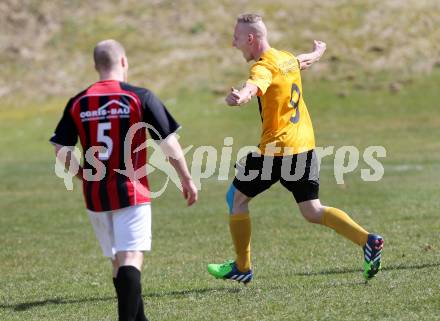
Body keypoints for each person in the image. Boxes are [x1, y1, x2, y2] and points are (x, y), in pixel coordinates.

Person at [207, 14, 383, 284]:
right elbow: (303, 61)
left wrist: (240, 96)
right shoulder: (285, 58)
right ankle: (367, 240)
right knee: (312, 210)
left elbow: (254, 86)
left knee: (236, 199)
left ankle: (243, 267)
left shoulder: (262, 68)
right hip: (304, 145)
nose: (234, 44)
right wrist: (318, 51)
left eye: (237, 38)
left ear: (251, 39)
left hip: (276, 151)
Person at [50, 39, 198, 321]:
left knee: (118, 261)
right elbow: (168, 143)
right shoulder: (139, 97)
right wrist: (186, 178)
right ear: (124, 62)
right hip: (131, 190)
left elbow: (61, 149)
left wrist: (82, 174)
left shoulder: (78, 102)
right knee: (131, 258)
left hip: (95, 195)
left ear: (96, 66)